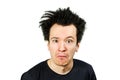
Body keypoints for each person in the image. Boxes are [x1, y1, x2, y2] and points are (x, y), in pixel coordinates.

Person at [21, 7, 97, 80]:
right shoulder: (31, 77)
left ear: (77, 46)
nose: (62, 48)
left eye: (69, 41)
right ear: (48, 45)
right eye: (55, 41)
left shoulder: (87, 72)